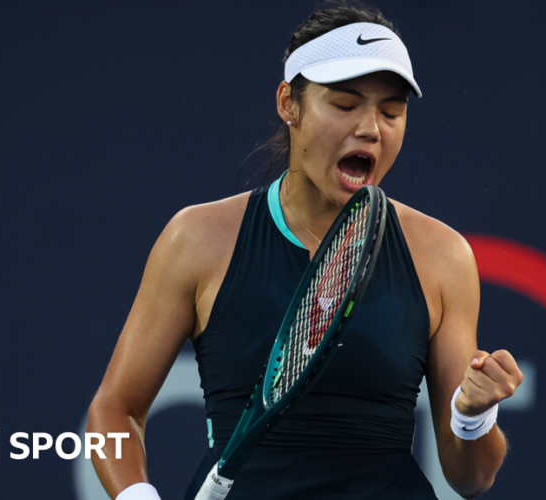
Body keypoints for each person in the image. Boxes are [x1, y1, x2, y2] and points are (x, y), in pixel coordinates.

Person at [87, 4, 523, 499]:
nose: (371, 129)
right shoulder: (197, 238)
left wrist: (472, 417)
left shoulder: (444, 257)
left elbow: (471, 479)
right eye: (344, 104)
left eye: (391, 111)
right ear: (288, 103)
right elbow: (115, 410)